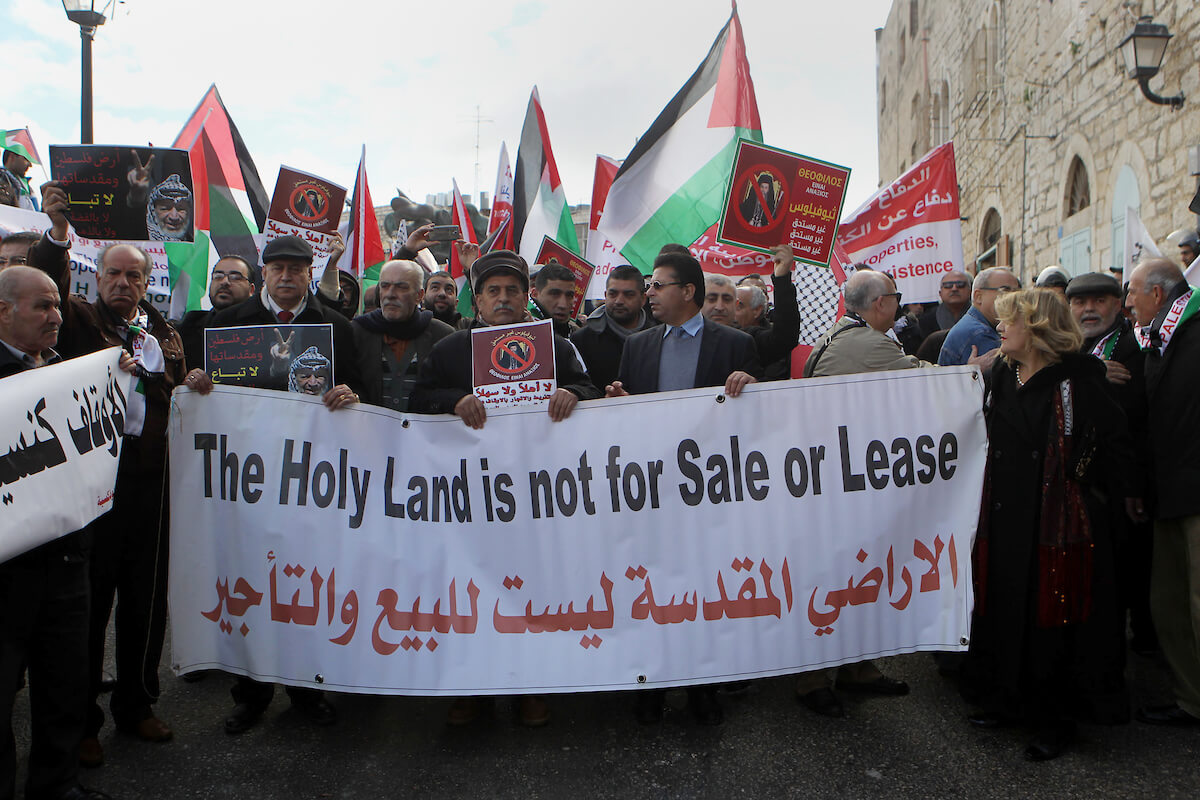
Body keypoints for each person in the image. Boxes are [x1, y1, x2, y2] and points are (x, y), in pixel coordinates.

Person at [32, 183, 187, 768]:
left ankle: (137, 705)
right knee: (88, 606)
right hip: (94, 488)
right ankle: (83, 720)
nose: (123, 284)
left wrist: (187, 384)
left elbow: (173, 396)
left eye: (134, 277)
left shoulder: (165, 335)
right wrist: (57, 233)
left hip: (151, 486)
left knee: (145, 602)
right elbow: (44, 277)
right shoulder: (74, 322)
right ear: (96, 279)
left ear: (148, 283)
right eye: (113, 275)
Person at [410, 249, 599, 728]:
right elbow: (418, 401)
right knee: (472, 593)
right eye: (493, 290)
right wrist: (454, 400)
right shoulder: (452, 349)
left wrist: (573, 393)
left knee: (533, 593)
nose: (503, 298)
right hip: (470, 498)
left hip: (538, 499)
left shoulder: (556, 344)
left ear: (526, 296)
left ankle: (531, 689)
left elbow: (591, 389)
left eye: (513, 290)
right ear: (477, 300)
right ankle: (473, 690)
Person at [966, 288, 1134, 761]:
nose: (1000, 329)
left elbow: (1115, 443)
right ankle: (1005, 700)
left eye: (1009, 321)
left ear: (1037, 328)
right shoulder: (1003, 371)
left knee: (1050, 621)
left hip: (1055, 525)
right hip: (1003, 517)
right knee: (1002, 609)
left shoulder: (1078, 380)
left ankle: (1051, 720)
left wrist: (1115, 499)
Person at [605, 250, 760, 726]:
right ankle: (651, 685)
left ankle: (702, 687)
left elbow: (759, 417)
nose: (648, 293)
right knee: (650, 587)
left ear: (687, 292)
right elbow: (632, 418)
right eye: (649, 286)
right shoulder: (639, 346)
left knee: (704, 590)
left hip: (708, 494)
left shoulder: (734, 344)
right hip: (653, 493)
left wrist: (752, 385)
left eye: (658, 285)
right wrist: (619, 402)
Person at [0, 266, 113, 800]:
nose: (56, 317)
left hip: (67, 562)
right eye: (42, 307)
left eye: (57, 306)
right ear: (4, 311)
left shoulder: (68, 375)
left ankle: (56, 786)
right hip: (6, 575)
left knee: (64, 686)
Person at [794, 269, 917, 715]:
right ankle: (812, 678)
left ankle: (857, 667)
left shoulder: (839, 336)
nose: (899, 305)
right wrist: (977, 368)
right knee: (835, 578)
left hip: (853, 476)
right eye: (896, 297)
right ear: (880, 303)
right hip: (843, 480)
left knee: (860, 575)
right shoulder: (868, 344)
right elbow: (927, 379)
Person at [1124, 259, 1200, 727]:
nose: (1127, 302)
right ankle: (1191, 698)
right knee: (1169, 603)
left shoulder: (1190, 333)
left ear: (1158, 293)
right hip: (1167, 491)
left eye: (1132, 292)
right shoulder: (1158, 339)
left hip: (1193, 492)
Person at [1067, 272, 1155, 654]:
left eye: (1099, 301)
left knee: (1122, 580)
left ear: (1119, 305)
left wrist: (1132, 486)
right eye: (1080, 303)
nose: (1089, 310)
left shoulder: (1134, 347)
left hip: (1119, 488)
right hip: (1077, 490)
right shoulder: (1071, 350)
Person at [353, 259, 453, 411]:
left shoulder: (443, 336)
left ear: (419, 296)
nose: (391, 294)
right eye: (385, 286)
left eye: (401, 287)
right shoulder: (358, 332)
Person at [569, 264, 656, 391]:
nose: (619, 301)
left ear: (643, 298)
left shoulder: (660, 337)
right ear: (605, 295)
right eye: (613, 294)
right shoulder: (582, 340)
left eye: (628, 294)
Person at [173, 256, 256, 367]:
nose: (224, 282)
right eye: (218, 276)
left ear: (251, 290)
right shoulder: (189, 326)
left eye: (235, 277)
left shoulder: (261, 327)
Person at [732, 245, 799, 380]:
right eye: (711, 299)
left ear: (757, 310)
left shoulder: (756, 340)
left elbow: (784, 337)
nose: (721, 307)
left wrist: (782, 279)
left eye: (738, 305)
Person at [938, 267, 1019, 366]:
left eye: (1017, 291)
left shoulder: (977, 326)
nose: (1014, 297)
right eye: (1005, 291)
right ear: (978, 296)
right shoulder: (980, 334)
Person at [915, 270, 972, 340]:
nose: (954, 289)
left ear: (970, 291)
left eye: (960, 285)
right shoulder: (926, 320)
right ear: (940, 293)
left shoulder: (982, 315)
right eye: (948, 286)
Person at [529, 261, 580, 337]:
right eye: (555, 294)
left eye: (569, 295)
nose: (563, 305)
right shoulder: (522, 329)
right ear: (535, 294)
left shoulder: (579, 336)